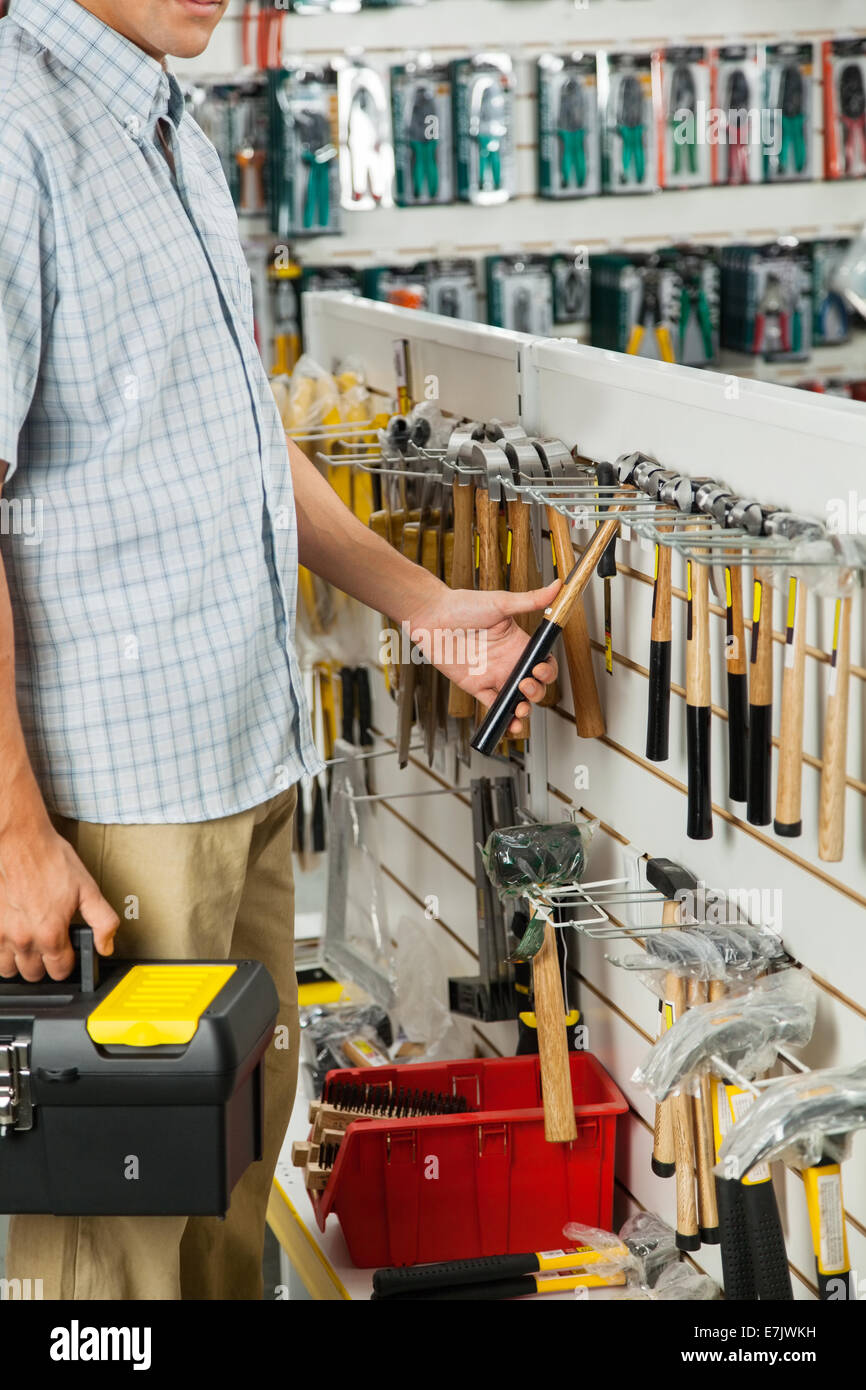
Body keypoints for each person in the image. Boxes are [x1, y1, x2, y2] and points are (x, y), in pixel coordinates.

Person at [0, 0, 558, 1299]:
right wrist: (13, 832)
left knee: (228, 1193)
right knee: (115, 1249)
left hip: (241, 755)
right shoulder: (16, 124)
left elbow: (235, 433)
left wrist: (421, 598)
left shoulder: (162, 119)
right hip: (108, 807)